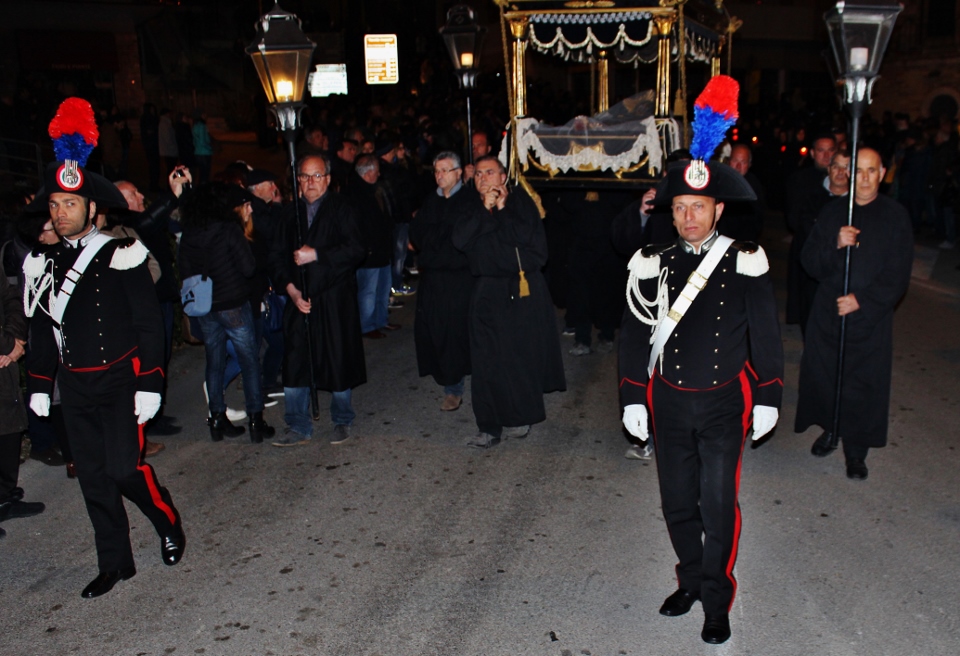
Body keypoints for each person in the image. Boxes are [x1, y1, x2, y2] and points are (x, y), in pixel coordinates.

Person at [23, 97, 184, 598]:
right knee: (93, 479)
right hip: (75, 386)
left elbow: (148, 323)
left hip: (119, 380)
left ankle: (166, 519)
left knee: (124, 469)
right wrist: (40, 384)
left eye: (70, 204)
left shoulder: (121, 251)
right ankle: (115, 563)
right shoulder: (44, 262)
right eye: (54, 205)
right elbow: (43, 329)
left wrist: (150, 382)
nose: (60, 213)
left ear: (92, 208)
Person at [619, 159, 783, 644]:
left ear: (718, 210)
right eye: (680, 207)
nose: (689, 217)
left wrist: (770, 394)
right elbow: (635, 334)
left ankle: (716, 599)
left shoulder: (744, 259)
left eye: (699, 206)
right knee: (676, 502)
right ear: (671, 212)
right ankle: (689, 580)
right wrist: (632, 397)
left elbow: (765, 333)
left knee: (717, 504)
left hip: (722, 403)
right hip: (669, 401)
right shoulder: (653, 261)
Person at [795, 147, 913, 481]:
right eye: (858, 171)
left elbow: (898, 273)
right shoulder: (834, 212)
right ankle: (831, 428)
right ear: (848, 174)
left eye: (871, 171)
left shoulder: (895, 216)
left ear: (882, 174)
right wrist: (835, 243)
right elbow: (810, 262)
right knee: (827, 375)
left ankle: (856, 450)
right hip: (829, 313)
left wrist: (862, 300)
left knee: (862, 383)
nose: (864, 178)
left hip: (868, 318)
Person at [451, 155, 566, 448]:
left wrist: (501, 210)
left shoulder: (520, 203)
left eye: (490, 172)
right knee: (485, 360)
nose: (483, 178)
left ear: (503, 177)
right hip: (487, 289)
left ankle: (520, 415)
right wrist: (483, 210)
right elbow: (460, 240)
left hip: (520, 289)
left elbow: (531, 245)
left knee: (518, 357)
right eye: (478, 174)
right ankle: (488, 425)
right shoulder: (469, 206)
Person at [268, 154, 366, 447]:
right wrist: (291, 290)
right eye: (305, 176)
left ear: (328, 179)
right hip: (299, 298)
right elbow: (276, 257)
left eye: (317, 175)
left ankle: (342, 418)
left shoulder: (342, 208)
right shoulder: (289, 214)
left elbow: (356, 249)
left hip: (335, 299)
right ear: (298, 180)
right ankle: (298, 424)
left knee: (337, 357)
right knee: (296, 360)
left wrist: (318, 254)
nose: (311, 182)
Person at [178, 182, 275, 443]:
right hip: (233, 303)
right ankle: (256, 420)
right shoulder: (229, 229)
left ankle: (217, 419)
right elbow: (248, 267)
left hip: (204, 306)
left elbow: (184, 271)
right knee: (249, 360)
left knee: (214, 360)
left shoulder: (189, 234)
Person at [410, 151, 473, 411]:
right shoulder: (431, 201)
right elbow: (417, 234)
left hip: (459, 280)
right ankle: (448, 378)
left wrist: (435, 241)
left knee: (456, 333)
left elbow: (459, 239)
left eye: (445, 170)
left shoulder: (468, 200)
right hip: (433, 278)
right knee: (434, 330)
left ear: (458, 173)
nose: (440, 175)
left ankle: (454, 388)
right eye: (437, 171)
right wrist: (435, 241)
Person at [0, 266, 45, 540]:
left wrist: (15, 339)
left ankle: (4, 497)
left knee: (8, 426)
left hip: (5, 357)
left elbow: (11, 297)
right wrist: (7, 344)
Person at [792, 150, 851, 335]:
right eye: (836, 166)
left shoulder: (856, 203)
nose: (840, 172)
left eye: (846, 167)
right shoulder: (812, 196)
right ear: (829, 169)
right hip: (815, 271)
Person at [786, 134, 837, 326]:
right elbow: (794, 217)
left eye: (831, 150)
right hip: (807, 244)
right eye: (821, 151)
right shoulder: (800, 179)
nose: (826, 156)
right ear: (813, 153)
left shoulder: (842, 178)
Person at [347, 154, 397, 339]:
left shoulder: (372, 189)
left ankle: (381, 320)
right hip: (369, 252)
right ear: (367, 173)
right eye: (376, 170)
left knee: (383, 288)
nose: (379, 174)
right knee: (368, 291)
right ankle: (367, 325)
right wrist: (365, 248)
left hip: (381, 249)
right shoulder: (355, 194)